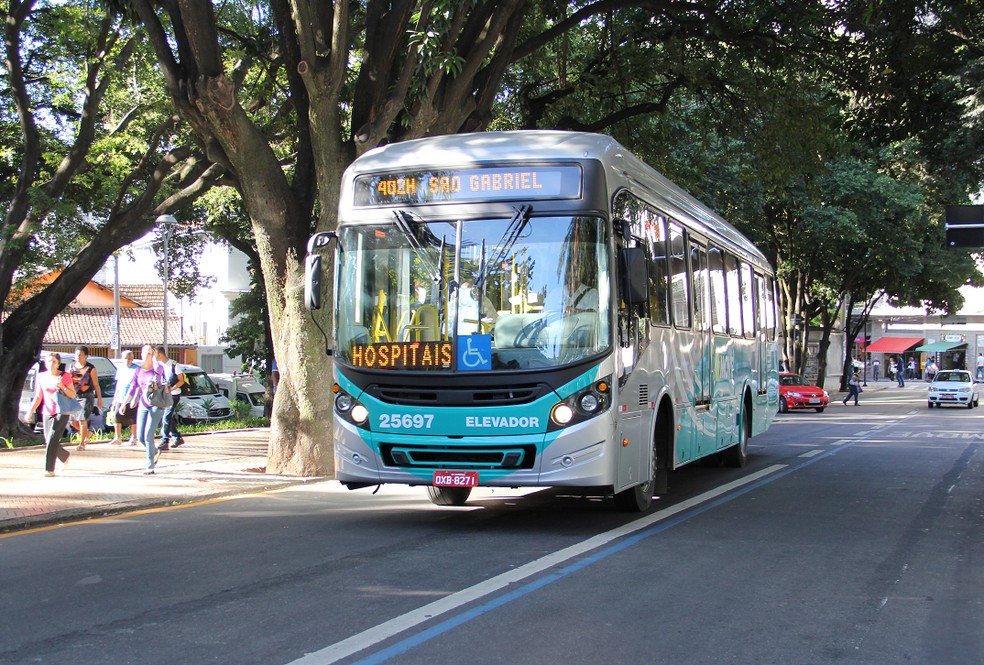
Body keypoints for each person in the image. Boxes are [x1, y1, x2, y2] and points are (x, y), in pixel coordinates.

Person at [28, 351, 76, 477]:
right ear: (45, 362)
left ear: (58, 363)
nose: (51, 363)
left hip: (61, 411)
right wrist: (30, 411)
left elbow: (72, 394)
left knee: (52, 439)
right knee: (48, 439)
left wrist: (62, 386)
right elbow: (38, 396)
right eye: (49, 361)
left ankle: (49, 469)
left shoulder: (64, 376)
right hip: (47, 411)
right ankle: (64, 455)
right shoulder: (41, 377)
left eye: (54, 361)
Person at [121, 344, 167, 474]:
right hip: (143, 404)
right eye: (145, 353)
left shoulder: (157, 369)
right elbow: (133, 387)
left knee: (148, 435)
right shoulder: (138, 371)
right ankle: (154, 451)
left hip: (156, 405)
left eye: (150, 353)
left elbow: (160, 379)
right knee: (140, 436)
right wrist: (124, 404)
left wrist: (155, 361)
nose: (147, 356)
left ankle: (150, 465)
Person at [69, 345, 103, 450]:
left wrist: (99, 399)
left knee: (82, 420)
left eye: (80, 355)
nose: (78, 356)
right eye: (76, 354)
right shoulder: (72, 366)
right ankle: (87, 434)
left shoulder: (90, 368)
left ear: (86, 356)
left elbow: (96, 385)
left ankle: (82, 443)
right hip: (74, 396)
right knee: (72, 421)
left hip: (86, 396)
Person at [155, 345, 186, 450]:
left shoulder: (174, 365)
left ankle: (164, 440)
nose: (154, 356)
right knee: (168, 417)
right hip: (165, 395)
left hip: (174, 395)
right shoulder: (160, 365)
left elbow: (181, 381)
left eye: (155, 354)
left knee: (166, 417)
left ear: (159, 354)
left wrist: (171, 389)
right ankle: (177, 437)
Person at [108, 350, 139, 446]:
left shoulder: (137, 369)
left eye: (130, 358)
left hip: (131, 398)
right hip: (120, 397)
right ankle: (117, 437)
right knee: (117, 417)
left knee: (133, 418)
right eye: (125, 358)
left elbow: (138, 385)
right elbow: (118, 384)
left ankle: (134, 437)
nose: (127, 360)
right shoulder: (120, 369)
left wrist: (136, 398)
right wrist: (114, 400)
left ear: (132, 359)